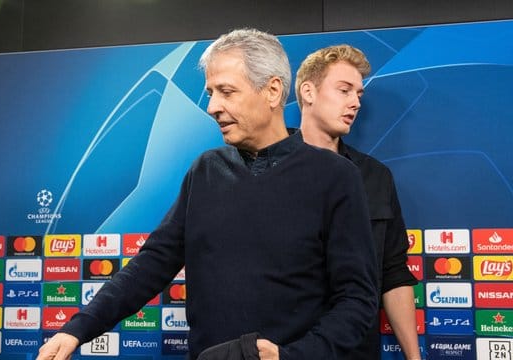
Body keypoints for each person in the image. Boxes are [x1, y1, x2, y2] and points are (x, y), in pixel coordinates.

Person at [36, 29, 378, 360]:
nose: (213, 106)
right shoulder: (205, 171)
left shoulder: (335, 177)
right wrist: (77, 330)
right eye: (210, 92)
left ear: (273, 91)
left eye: (226, 92)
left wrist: (292, 356)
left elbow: (357, 300)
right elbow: (150, 265)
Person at [296, 45, 421, 359]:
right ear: (308, 92)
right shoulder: (262, 168)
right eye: (344, 90)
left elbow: (393, 272)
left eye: (359, 95)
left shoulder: (376, 177)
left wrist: (414, 357)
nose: (354, 102)